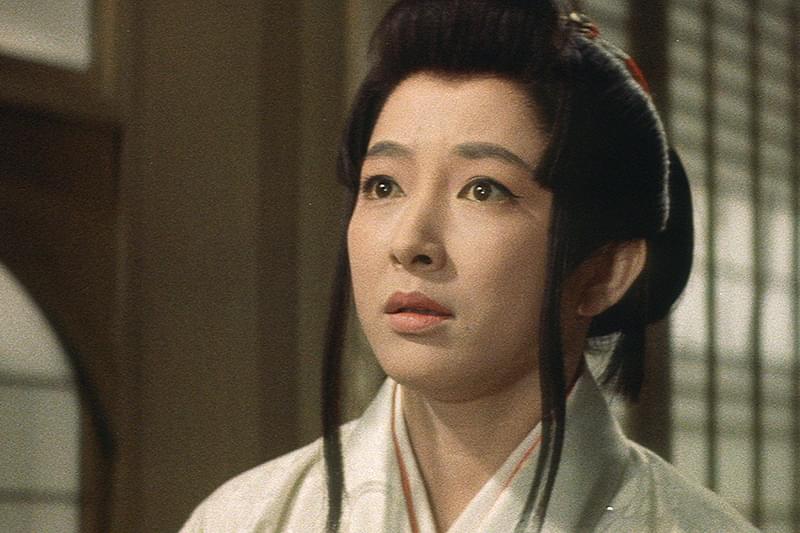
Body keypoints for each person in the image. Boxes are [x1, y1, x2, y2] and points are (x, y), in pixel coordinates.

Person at [181, 1, 756, 531]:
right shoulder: (244, 518)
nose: (410, 243)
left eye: (483, 190)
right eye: (383, 186)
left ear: (605, 272)